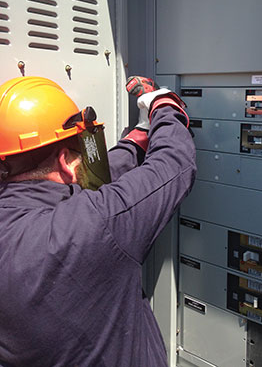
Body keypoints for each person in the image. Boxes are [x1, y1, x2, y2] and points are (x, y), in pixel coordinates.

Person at [0, 75, 196, 367]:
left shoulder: (31, 216)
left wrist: (137, 140)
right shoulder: (94, 224)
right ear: (66, 162)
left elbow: (81, 186)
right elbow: (174, 164)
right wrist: (165, 105)